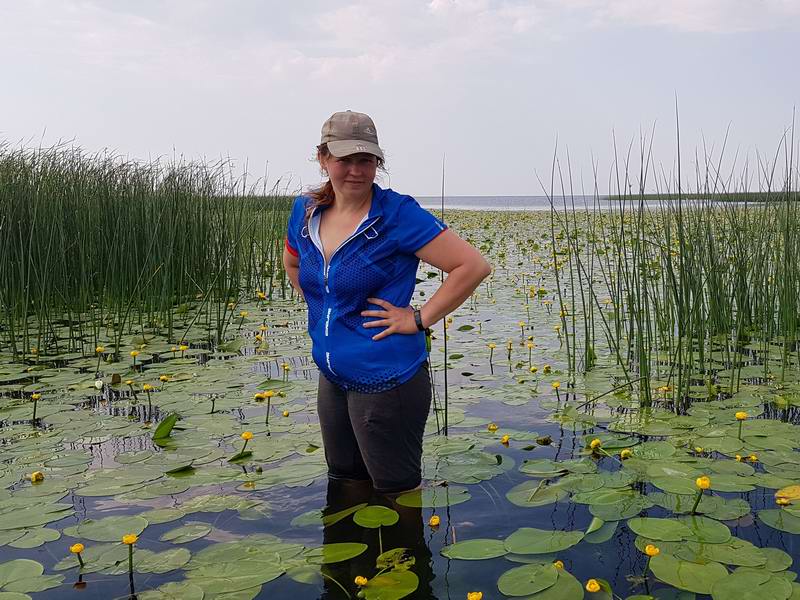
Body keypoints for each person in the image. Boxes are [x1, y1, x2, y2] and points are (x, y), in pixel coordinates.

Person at [283, 110, 491, 494]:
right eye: (346, 159)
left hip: (386, 380)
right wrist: (325, 306)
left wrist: (418, 318)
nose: (357, 171)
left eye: (367, 160)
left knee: (396, 495)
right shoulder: (307, 210)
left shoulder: (396, 215)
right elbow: (293, 262)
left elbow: (472, 266)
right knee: (344, 482)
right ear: (323, 158)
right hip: (333, 376)